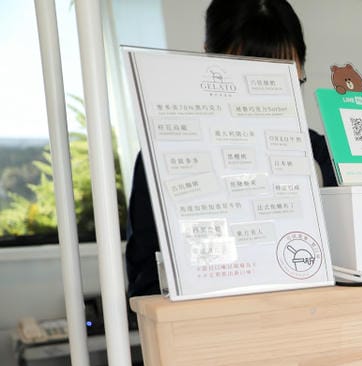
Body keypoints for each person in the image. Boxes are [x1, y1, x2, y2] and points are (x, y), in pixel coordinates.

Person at [124, 0, 336, 298]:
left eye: (279, 83)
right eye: (245, 82)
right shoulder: (165, 160)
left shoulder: (322, 155)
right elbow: (145, 283)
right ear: (208, 61)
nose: (260, 104)